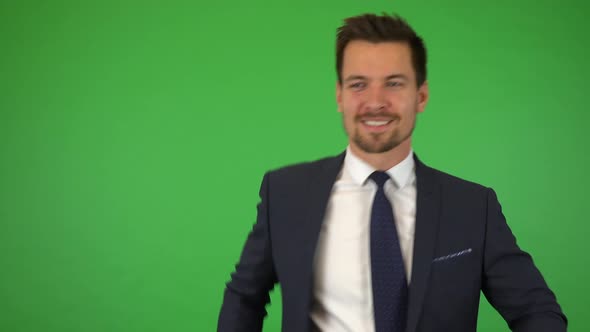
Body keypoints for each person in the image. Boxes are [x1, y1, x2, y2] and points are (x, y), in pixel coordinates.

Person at [217, 13, 567, 332]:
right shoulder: (286, 193)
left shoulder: (474, 207)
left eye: (394, 83)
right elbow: (244, 298)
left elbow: (537, 311)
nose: (375, 101)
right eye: (358, 84)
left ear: (422, 95)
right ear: (339, 95)